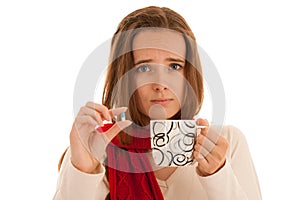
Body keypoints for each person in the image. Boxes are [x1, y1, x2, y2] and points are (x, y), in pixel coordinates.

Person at [53, 6, 262, 200]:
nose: (161, 84)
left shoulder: (227, 142)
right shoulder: (96, 147)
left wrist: (217, 174)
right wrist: (84, 169)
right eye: (144, 68)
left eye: (174, 66)